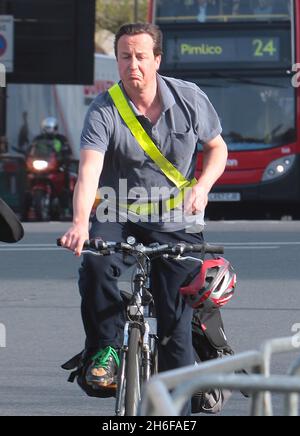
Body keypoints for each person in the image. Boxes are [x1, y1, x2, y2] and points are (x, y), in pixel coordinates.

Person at [60, 23, 228, 414]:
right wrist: (80, 224)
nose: (132, 64)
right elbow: (88, 173)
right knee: (95, 265)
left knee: (175, 329)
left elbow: (218, 148)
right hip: (115, 211)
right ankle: (105, 349)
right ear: (116, 60)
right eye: (124, 56)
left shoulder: (190, 98)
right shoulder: (104, 109)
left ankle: (181, 411)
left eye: (140, 56)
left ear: (157, 60)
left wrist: (202, 186)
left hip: (174, 220)